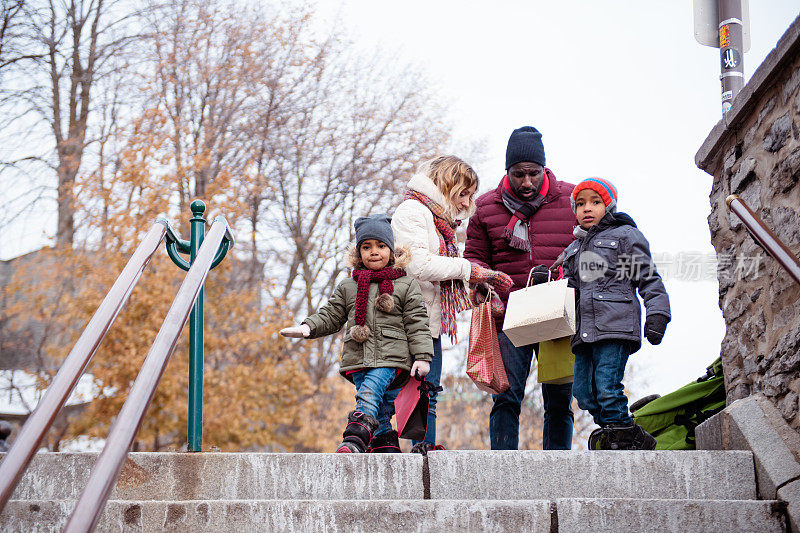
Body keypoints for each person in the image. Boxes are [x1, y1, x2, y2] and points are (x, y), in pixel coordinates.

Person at [280, 214, 434, 453]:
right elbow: (331, 314)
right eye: (367, 246)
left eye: (381, 246)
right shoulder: (348, 285)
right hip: (359, 357)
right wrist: (307, 327)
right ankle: (385, 445)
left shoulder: (405, 284)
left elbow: (417, 322)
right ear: (358, 252)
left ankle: (354, 438)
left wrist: (422, 356)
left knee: (369, 393)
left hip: (391, 359)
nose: (374, 252)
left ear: (392, 251)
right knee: (380, 405)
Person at [464, 126, 577, 450]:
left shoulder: (570, 199)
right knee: (506, 396)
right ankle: (503, 468)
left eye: (533, 173)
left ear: (544, 169)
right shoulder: (485, 208)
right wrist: (481, 287)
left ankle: (558, 468)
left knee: (558, 400)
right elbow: (474, 259)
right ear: (507, 171)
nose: (526, 182)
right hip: (508, 317)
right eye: (518, 174)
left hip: (557, 316)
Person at [392, 155, 514, 454]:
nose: (466, 203)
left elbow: (441, 273)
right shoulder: (412, 212)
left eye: (470, 196)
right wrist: (471, 270)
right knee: (398, 392)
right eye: (463, 194)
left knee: (428, 392)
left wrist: (476, 293)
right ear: (446, 185)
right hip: (404, 322)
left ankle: (425, 450)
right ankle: (387, 445)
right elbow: (419, 265)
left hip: (427, 322)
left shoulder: (439, 222)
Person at [562, 178, 671, 450]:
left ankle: (620, 433)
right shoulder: (572, 249)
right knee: (583, 394)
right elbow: (568, 291)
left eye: (595, 202)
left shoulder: (625, 236)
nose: (587, 208)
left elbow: (648, 277)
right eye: (580, 203)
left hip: (616, 325)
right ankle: (624, 430)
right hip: (584, 331)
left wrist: (657, 314)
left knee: (607, 386)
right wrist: (546, 281)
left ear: (609, 205)